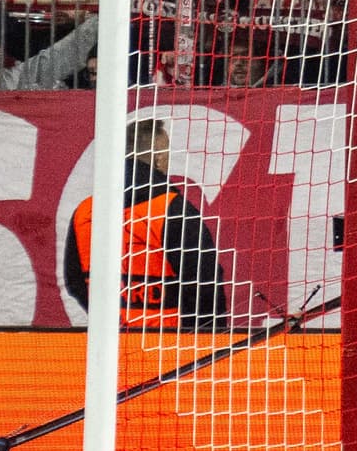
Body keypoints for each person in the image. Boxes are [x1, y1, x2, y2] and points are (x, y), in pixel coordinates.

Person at [63, 119, 238, 330]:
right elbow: (205, 286)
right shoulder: (174, 210)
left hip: (110, 342)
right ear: (160, 157)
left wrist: (112, 320)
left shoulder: (85, 211)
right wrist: (203, 340)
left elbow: (74, 281)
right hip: (170, 347)